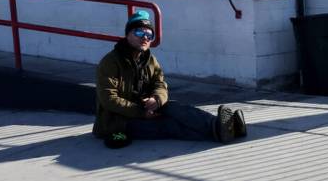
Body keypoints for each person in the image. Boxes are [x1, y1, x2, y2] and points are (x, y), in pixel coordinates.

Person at [93, 10, 246, 148]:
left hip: (146, 107)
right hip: (119, 121)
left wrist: (157, 99)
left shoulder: (150, 60)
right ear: (127, 35)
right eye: (139, 33)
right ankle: (225, 130)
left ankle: (220, 125)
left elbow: (160, 84)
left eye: (149, 34)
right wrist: (141, 112)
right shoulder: (110, 62)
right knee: (169, 126)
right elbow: (108, 99)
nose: (145, 38)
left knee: (178, 109)